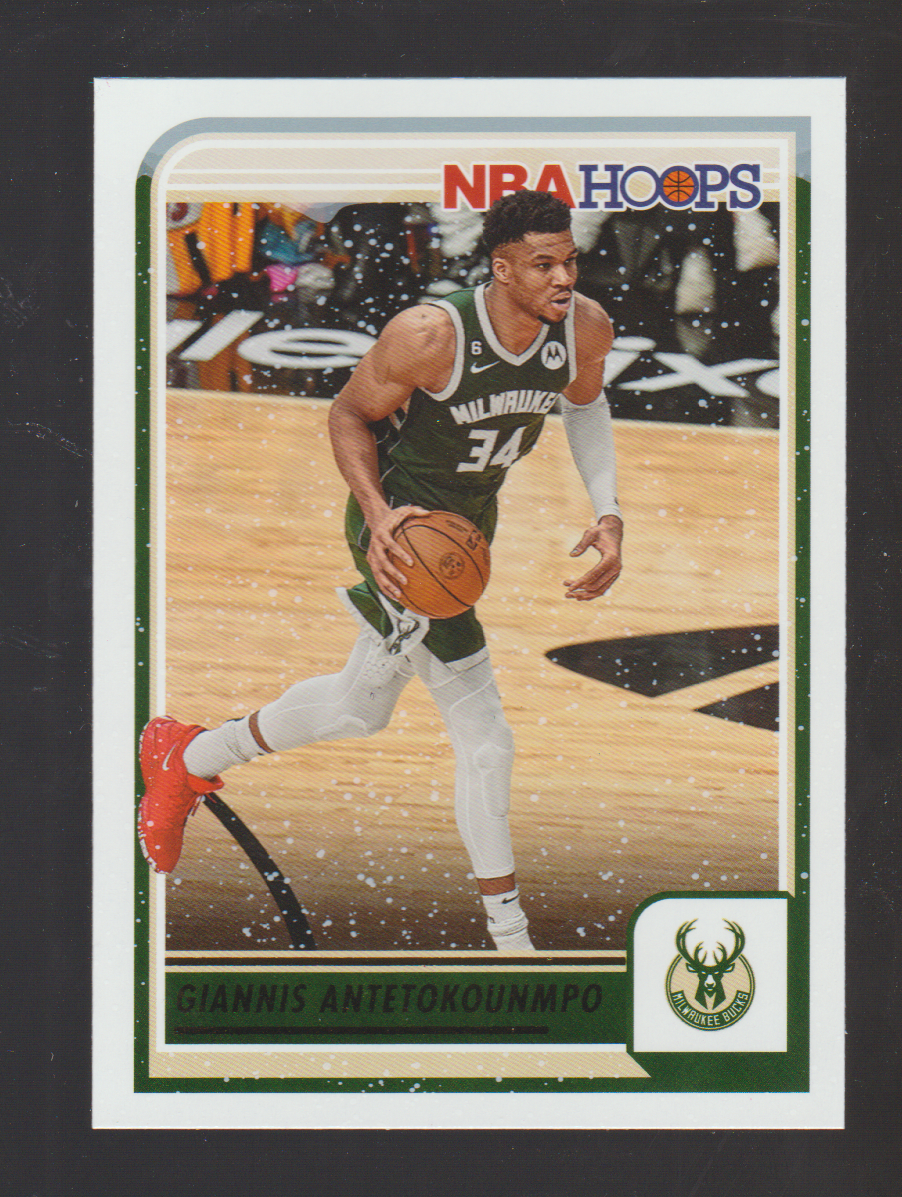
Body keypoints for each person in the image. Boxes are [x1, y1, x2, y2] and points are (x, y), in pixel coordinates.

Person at [139, 189, 624, 952]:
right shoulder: (431, 336)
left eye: (569, 260)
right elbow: (346, 414)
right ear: (501, 269)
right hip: (404, 536)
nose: (564, 277)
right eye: (543, 265)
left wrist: (609, 510)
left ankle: (185, 754)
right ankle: (511, 941)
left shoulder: (584, 327)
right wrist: (374, 515)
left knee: (356, 711)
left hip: (465, 530)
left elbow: (586, 405)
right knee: (486, 739)